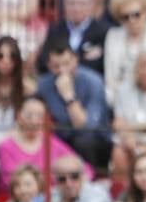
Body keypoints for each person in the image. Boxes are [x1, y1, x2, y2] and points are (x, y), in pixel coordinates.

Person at [38, 39, 112, 172]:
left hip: (94, 140)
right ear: (49, 66)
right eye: (56, 66)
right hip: (61, 137)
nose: (62, 70)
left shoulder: (93, 82)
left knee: (83, 141)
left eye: (66, 64)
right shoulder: (44, 85)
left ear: (75, 60)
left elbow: (86, 127)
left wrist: (69, 96)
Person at [38, 0, 109, 75]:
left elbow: (102, 65)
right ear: (64, 4)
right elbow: (43, 62)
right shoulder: (55, 29)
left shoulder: (104, 31)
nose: (77, 9)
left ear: (92, 4)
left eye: (82, 3)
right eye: (72, 3)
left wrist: (62, 64)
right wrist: (83, 60)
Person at [41, 153, 112, 202]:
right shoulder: (53, 194)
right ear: (56, 180)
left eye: (74, 176)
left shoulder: (98, 193)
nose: (68, 183)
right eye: (61, 179)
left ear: (83, 176)